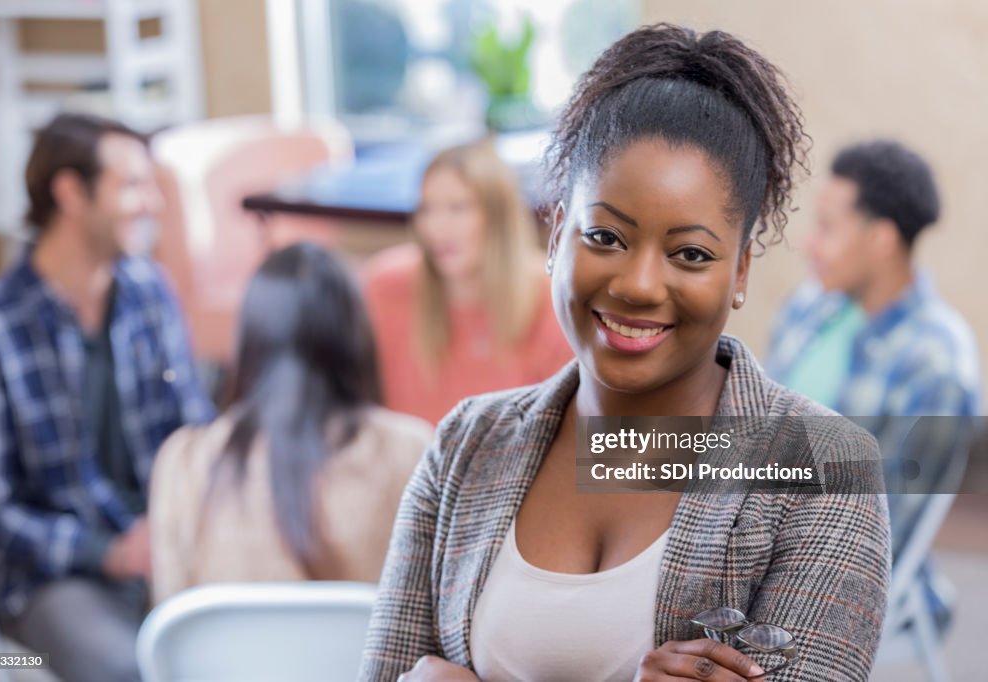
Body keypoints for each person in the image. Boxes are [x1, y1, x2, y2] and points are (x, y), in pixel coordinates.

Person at [360, 24, 890, 682]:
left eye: (690, 254)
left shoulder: (825, 472)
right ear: (557, 235)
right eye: (605, 236)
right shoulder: (466, 445)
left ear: (742, 271)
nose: (638, 284)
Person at [0, 113, 214, 682]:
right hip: (57, 575)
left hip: (160, 541)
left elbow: (195, 427)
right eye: (131, 185)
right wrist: (107, 552)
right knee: (126, 670)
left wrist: (173, 525)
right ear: (71, 193)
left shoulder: (150, 292)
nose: (153, 202)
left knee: (227, 644)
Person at [766, 140, 982, 632]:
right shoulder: (811, 308)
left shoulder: (938, 366)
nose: (808, 244)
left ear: (881, 239)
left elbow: (879, 540)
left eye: (827, 227)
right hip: (757, 535)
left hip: (830, 580)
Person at [149, 242, 433, 603]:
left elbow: (169, 619)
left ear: (249, 339)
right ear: (353, 336)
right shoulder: (408, 449)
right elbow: (432, 613)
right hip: (359, 661)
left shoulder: (184, 459)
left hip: (227, 662)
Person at [363, 140, 572, 425]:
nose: (436, 228)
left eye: (458, 208)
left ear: (498, 217)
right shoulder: (386, 286)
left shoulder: (554, 300)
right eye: (427, 209)